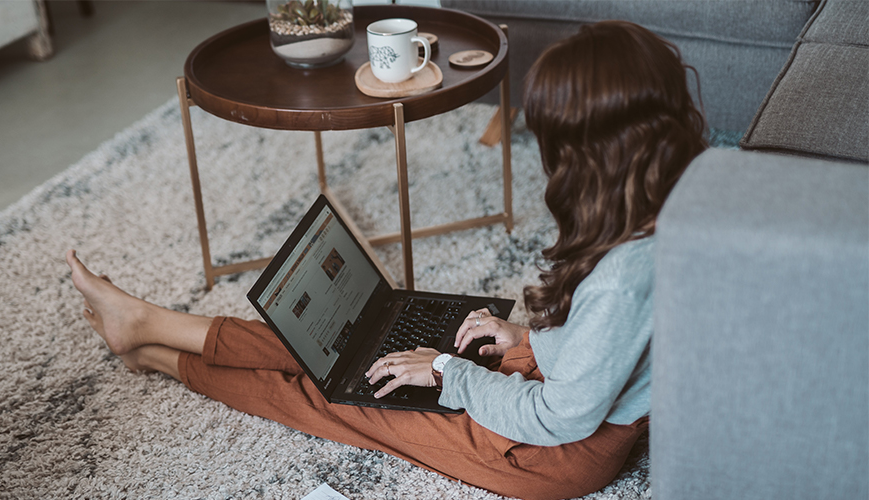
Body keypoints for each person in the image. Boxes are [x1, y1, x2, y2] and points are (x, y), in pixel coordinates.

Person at [66, 20, 707, 500]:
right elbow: (609, 348)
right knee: (350, 348)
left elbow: (561, 416)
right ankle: (149, 324)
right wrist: (525, 340)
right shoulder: (667, 202)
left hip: (549, 451)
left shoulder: (628, 272)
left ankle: (161, 355)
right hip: (548, 384)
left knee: (342, 401)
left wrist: (452, 376)